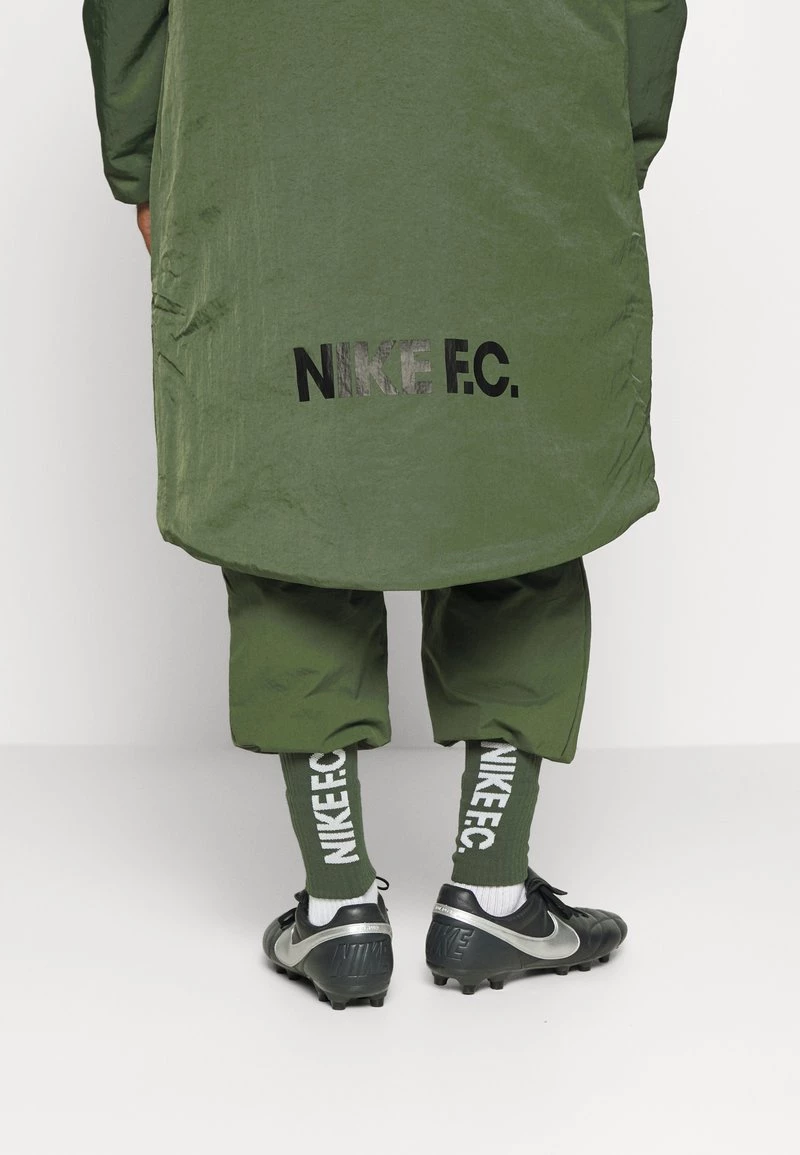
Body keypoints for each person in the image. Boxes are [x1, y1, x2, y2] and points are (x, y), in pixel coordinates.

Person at [82, 0, 687, 1009]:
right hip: (524, 104)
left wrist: (145, 160)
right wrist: (607, 137)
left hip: (263, 123)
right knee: (514, 486)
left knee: (290, 495)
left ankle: (337, 909)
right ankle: (490, 892)